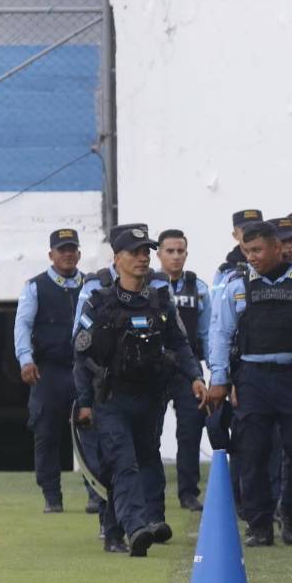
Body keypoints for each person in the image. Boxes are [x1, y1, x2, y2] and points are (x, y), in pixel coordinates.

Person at [72, 227, 206, 556]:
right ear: (117, 260)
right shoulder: (99, 303)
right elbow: (80, 356)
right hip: (112, 399)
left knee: (146, 461)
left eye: (146, 252)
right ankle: (134, 529)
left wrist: (195, 376)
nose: (143, 258)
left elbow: (180, 343)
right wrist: (85, 404)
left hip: (150, 397)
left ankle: (119, 530)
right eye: (135, 253)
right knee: (123, 463)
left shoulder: (161, 301)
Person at [206, 221, 292, 547]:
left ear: (278, 248)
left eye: (258, 250)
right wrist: (219, 379)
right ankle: (259, 526)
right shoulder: (236, 284)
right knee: (252, 453)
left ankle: (291, 513)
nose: (252, 257)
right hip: (252, 378)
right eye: (247, 251)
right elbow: (220, 334)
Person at [14, 228, 86, 513]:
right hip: (49, 371)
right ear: (51, 255)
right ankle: (52, 497)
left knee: (92, 432)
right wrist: (25, 360)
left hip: (84, 369)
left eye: (72, 249)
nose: (67, 254)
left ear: (79, 253)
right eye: (62, 250)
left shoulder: (92, 285)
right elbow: (23, 325)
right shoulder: (36, 286)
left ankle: (96, 495)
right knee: (46, 432)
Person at [156, 229, 212, 511]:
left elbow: (207, 334)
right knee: (149, 432)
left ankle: (188, 493)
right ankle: (150, 492)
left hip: (188, 372)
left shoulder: (198, 287)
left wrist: (212, 374)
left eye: (180, 251)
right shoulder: (148, 286)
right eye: (170, 251)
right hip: (153, 371)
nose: (176, 256)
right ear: (159, 254)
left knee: (190, 431)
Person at [213, 209, 263, 287]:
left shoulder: (275, 264)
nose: (252, 234)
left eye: (256, 229)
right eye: (246, 229)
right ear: (235, 235)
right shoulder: (225, 271)